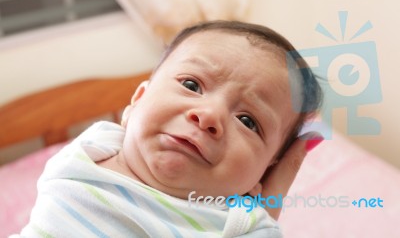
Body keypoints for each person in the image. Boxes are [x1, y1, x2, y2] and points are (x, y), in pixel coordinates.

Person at [15, 20, 324, 237]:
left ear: (261, 176)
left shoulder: (241, 224)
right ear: (137, 100)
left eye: (248, 121)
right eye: (192, 84)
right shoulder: (96, 146)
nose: (208, 115)